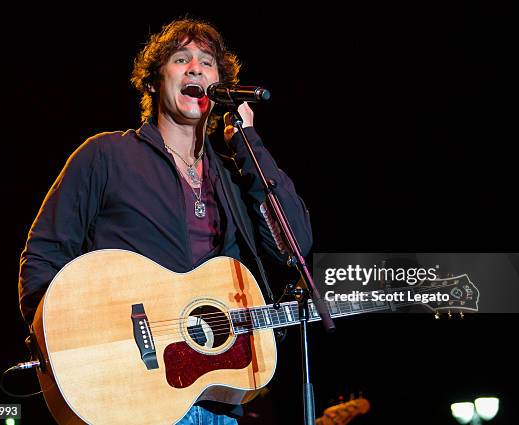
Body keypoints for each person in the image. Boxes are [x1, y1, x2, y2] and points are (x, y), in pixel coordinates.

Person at [17, 18, 312, 424]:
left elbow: (294, 246)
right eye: (181, 59)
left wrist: (249, 144)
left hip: (218, 402)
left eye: (207, 63)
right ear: (155, 81)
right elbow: (43, 256)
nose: (196, 69)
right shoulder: (104, 155)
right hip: (129, 398)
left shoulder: (233, 177)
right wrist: (65, 356)